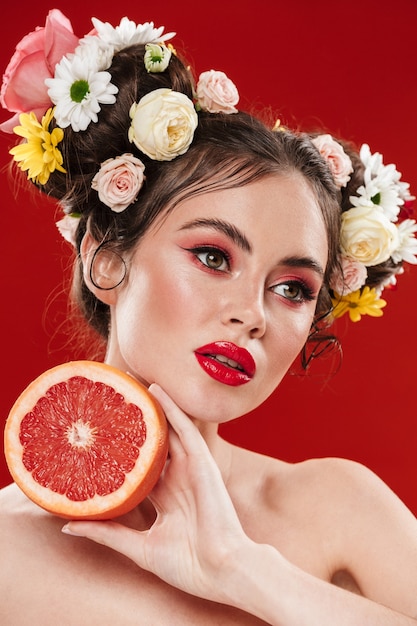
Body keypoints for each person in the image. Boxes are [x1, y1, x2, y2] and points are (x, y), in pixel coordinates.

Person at [1, 9, 417, 625]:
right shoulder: (9, 557)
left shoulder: (340, 507)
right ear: (106, 257)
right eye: (213, 256)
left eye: (293, 288)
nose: (253, 315)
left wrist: (243, 570)